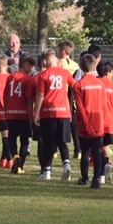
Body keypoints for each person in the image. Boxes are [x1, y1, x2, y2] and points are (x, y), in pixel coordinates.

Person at [33, 49, 76, 181]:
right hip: (63, 112)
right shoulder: (65, 73)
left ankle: (47, 172)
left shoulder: (43, 75)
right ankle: (66, 164)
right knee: (62, 142)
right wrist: (69, 105)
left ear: (45, 61)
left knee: (48, 143)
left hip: (48, 112)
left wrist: (36, 113)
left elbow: (40, 95)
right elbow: (75, 86)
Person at [73, 54, 106, 188]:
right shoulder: (100, 84)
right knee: (97, 151)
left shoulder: (78, 85)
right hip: (98, 122)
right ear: (95, 67)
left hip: (84, 125)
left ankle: (85, 177)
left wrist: (86, 125)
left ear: (81, 67)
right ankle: (96, 178)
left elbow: (80, 108)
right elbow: (103, 105)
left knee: (85, 151)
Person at [5, 54, 36, 174]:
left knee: (12, 138)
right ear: (26, 65)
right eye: (31, 66)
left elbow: (6, 95)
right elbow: (29, 98)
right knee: (24, 140)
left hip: (11, 112)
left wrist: (7, 109)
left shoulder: (10, 77)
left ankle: (15, 155)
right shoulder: (28, 79)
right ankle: (20, 166)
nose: (32, 69)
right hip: (24, 114)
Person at [57, 40, 82, 159]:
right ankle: (78, 149)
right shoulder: (75, 65)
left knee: (58, 122)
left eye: (58, 50)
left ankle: (54, 149)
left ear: (62, 51)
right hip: (74, 94)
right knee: (74, 123)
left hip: (61, 95)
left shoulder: (59, 63)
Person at [97, 60, 113, 184]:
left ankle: (100, 174)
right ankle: (106, 165)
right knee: (106, 147)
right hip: (108, 122)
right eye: (112, 72)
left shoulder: (95, 83)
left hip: (95, 121)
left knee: (97, 148)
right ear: (108, 72)